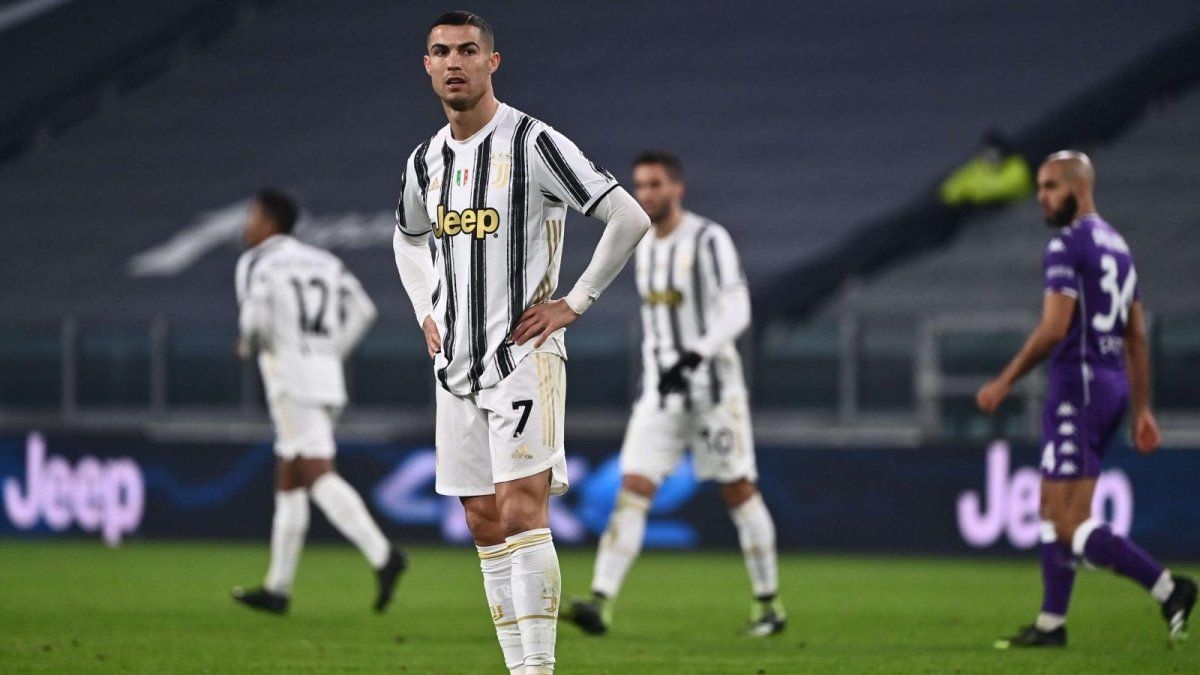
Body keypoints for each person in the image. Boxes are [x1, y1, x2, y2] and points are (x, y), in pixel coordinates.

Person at [392, 11, 650, 674]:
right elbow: (407, 237)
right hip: (455, 365)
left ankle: (538, 670)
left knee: (520, 510)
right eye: (442, 52)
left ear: (492, 61)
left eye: (467, 50)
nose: (454, 62)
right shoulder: (425, 160)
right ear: (427, 65)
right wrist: (426, 309)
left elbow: (627, 215)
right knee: (482, 518)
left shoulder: (532, 142)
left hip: (522, 357)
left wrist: (575, 302)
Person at [976, 151, 1195, 647]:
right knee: (1053, 509)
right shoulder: (1119, 246)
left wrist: (1005, 379)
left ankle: (1168, 589)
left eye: (1051, 186)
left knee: (1069, 519)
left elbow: (1054, 329)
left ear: (1078, 188)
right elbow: (1136, 335)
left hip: (1078, 388)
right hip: (1110, 386)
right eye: (1040, 187)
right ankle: (1051, 624)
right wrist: (1141, 407)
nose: (1041, 197)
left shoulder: (1066, 245)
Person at [563, 151, 785, 638]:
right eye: (640, 185)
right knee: (633, 488)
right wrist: (658, 371)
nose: (646, 193)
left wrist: (695, 355)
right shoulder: (642, 242)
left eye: (655, 184)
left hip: (714, 392)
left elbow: (738, 309)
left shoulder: (708, 239)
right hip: (661, 396)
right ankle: (600, 600)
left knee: (738, 490)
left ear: (677, 188)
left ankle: (768, 604)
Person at [232, 188, 405, 615]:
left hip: (291, 380)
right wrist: (331, 354)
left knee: (315, 474)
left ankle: (384, 555)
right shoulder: (324, 261)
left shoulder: (257, 262)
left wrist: (249, 345)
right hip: (326, 377)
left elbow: (254, 321)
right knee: (289, 476)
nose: (247, 225)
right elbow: (363, 309)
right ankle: (277, 588)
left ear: (269, 222)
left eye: (252, 216)